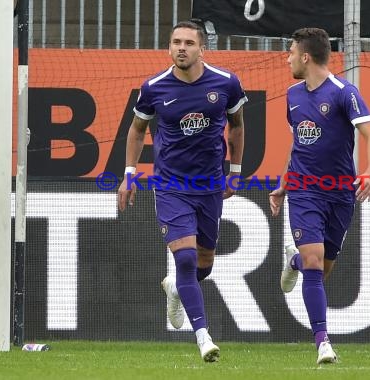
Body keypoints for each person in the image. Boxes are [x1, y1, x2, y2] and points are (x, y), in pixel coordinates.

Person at [117, 20, 247, 362]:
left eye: (189, 42)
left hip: (209, 185)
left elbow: (237, 127)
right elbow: (136, 130)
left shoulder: (226, 83)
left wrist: (235, 172)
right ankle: (203, 336)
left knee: (204, 262)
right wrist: (129, 174)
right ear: (169, 47)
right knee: (186, 258)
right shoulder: (154, 87)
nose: (181, 48)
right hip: (171, 185)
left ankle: (175, 287)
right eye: (176, 42)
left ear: (201, 48)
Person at [269, 27, 370, 365]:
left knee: (321, 266)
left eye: (290, 52)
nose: (287, 57)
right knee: (316, 262)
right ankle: (323, 343)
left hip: (339, 195)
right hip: (304, 191)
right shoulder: (292, 95)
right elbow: (298, 146)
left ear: (305, 56)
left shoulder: (343, 93)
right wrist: (285, 182)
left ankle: (294, 261)